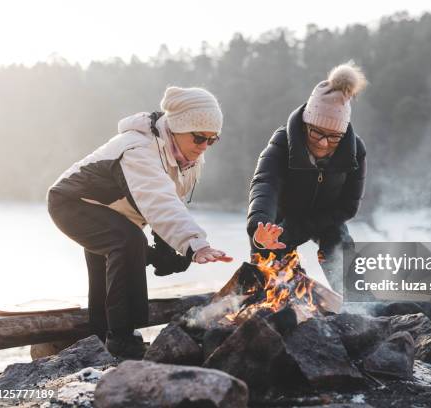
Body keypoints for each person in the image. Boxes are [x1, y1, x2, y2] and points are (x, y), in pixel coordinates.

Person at [47, 86, 232, 358]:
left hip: (114, 213)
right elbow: (158, 200)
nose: (204, 146)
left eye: (212, 140)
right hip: (72, 204)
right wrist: (194, 244)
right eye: (199, 137)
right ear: (177, 127)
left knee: (111, 262)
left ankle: (96, 341)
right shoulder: (139, 148)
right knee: (127, 241)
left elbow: (170, 199)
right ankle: (124, 340)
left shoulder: (189, 157)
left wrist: (171, 249)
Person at [247, 62, 367, 292]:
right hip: (279, 222)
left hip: (327, 218)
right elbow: (264, 185)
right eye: (317, 132)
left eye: (333, 137)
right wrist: (259, 227)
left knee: (349, 275)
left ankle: (362, 306)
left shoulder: (354, 151)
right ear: (305, 125)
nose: (323, 142)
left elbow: (348, 207)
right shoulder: (282, 143)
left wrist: (302, 227)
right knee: (274, 291)